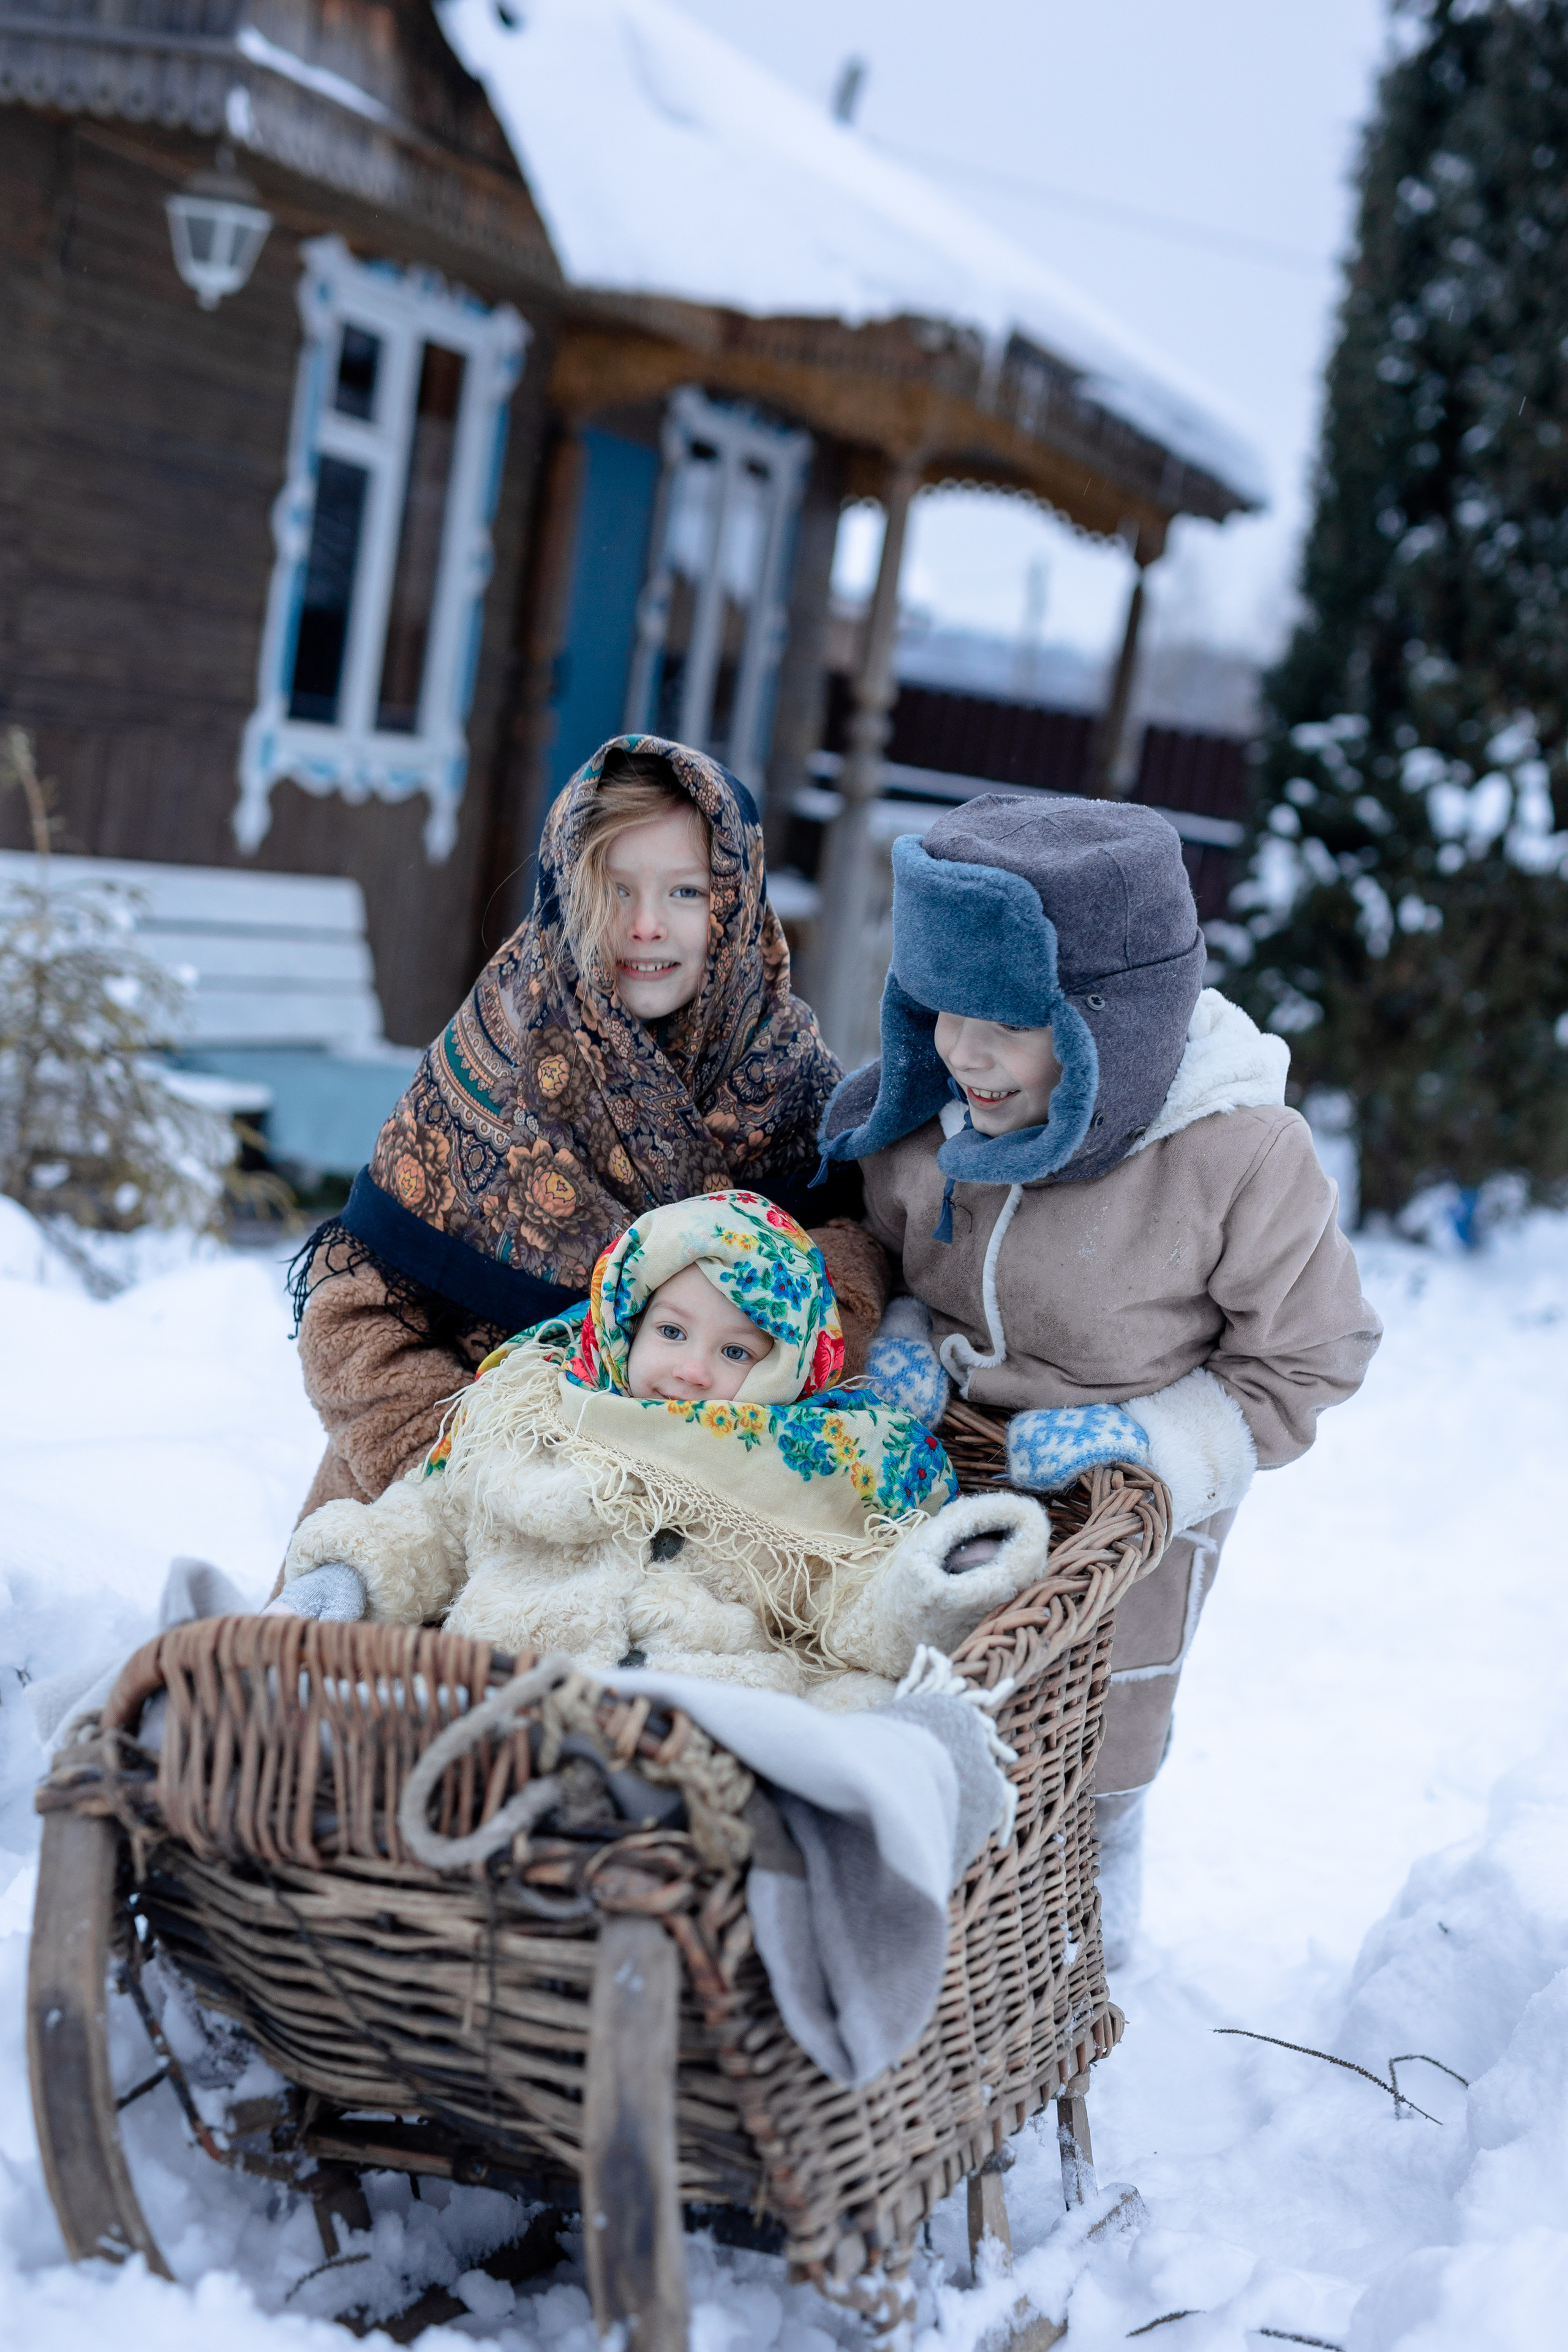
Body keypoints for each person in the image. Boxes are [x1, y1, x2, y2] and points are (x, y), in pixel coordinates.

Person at [820, 794, 1383, 1959]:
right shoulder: (934, 1107)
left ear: (1107, 1026)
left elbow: (1315, 1350)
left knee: (1091, 1731)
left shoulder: (1234, 1156)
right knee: (912, 1696)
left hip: (1124, 1504)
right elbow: (876, 1243)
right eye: (941, 1009)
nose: (961, 1053)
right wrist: (905, 1339)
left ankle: (1095, 1887)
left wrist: (1161, 1445)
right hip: (944, 1462)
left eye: (1008, 1023)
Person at [286, 737, 887, 1536]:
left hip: (701, 1511)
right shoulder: (500, 1048)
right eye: (616, 889)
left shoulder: (785, 1076)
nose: (645, 926)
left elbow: (842, 1264)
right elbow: (353, 1318)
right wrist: (476, 1478)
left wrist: (746, 1415)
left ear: (735, 903)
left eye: (683, 892)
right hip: (442, 1501)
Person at [276, 1190, 1052, 1701]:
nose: (690, 1371)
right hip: (501, 1692)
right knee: (372, 1720)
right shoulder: (539, 1414)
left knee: (849, 1719)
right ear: (625, 1323)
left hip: (703, 1716)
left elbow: (852, 1605)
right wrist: (349, 1574)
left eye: (735, 1353)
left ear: (788, 1370)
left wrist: (935, 1581)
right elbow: (434, 1519)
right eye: (673, 1332)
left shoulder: (811, 1464)